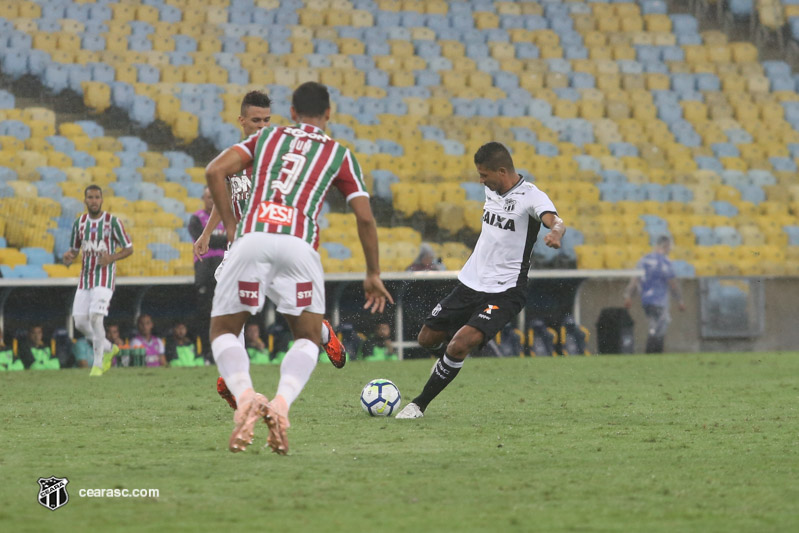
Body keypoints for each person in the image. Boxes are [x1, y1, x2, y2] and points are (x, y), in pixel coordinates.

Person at [205, 80, 393, 454]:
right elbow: (366, 219)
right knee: (306, 336)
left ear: (290, 113)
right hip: (300, 245)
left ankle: (244, 397)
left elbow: (214, 171)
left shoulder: (268, 138)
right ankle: (281, 405)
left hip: (253, 236)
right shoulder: (340, 155)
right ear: (328, 115)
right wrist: (372, 272)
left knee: (224, 330)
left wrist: (231, 227)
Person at [192, 90, 348, 409]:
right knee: (226, 295)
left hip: (274, 243)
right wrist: (208, 232)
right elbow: (225, 200)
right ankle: (232, 378)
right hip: (244, 247)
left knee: (293, 309)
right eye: (255, 120)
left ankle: (322, 332)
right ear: (242, 120)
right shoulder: (234, 157)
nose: (262, 126)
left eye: (266, 120)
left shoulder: (275, 154)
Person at [396, 142, 565, 419]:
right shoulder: (492, 188)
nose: (481, 180)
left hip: (505, 291)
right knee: (426, 339)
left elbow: (555, 220)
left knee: (460, 344)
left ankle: (418, 405)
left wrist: (556, 233)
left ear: (502, 171)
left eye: (484, 175)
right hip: (470, 282)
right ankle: (446, 362)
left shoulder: (532, 197)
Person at [63, 184, 133, 376]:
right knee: (79, 323)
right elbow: (75, 250)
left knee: (95, 317)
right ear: (85, 200)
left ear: (102, 200)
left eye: (97, 197)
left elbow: (129, 248)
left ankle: (98, 364)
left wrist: (111, 257)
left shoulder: (113, 222)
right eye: (90, 197)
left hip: (104, 278)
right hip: (85, 279)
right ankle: (111, 348)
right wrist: (69, 257)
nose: (93, 201)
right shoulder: (79, 223)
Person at [623, 235, 685, 354]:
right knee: (661, 325)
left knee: (654, 325)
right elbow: (673, 284)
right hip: (660, 301)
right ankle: (653, 353)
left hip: (646, 300)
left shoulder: (643, 260)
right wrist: (680, 300)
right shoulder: (665, 262)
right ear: (666, 246)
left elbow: (635, 279)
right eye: (669, 247)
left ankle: (651, 353)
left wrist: (628, 296)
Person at [188, 186, 227, 359]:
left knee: (226, 312)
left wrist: (210, 238)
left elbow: (231, 237)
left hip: (224, 268)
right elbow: (199, 236)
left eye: (214, 197)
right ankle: (205, 351)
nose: (211, 200)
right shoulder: (196, 218)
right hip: (204, 271)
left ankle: (224, 351)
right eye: (208, 197)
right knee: (204, 314)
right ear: (203, 199)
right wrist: (214, 239)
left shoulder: (227, 215)